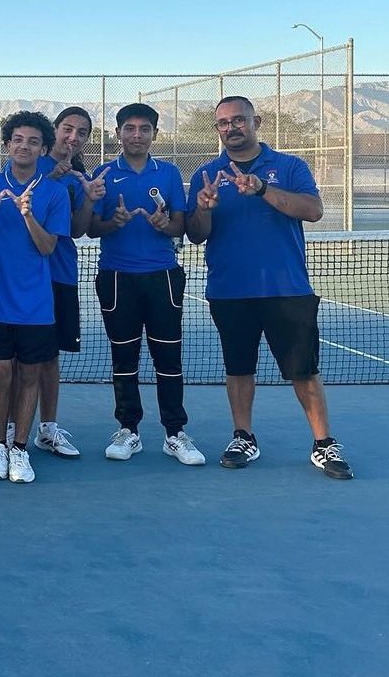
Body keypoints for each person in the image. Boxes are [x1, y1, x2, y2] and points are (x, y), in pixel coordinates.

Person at [186, 95, 352, 479]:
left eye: (239, 120)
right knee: (239, 368)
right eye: (224, 123)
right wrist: (204, 209)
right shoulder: (206, 174)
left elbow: (313, 211)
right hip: (230, 291)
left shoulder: (289, 166)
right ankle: (243, 437)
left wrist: (262, 189)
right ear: (218, 129)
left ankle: (324, 444)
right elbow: (196, 235)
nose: (231, 128)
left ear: (255, 121)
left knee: (304, 371)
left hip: (287, 288)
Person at [88, 103, 204, 465]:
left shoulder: (168, 173)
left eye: (144, 129)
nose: (136, 135)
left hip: (163, 277)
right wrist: (114, 223)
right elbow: (92, 229)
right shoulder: (104, 172)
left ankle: (175, 433)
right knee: (124, 358)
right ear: (118, 133)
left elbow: (180, 226)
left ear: (155, 133)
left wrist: (162, 225)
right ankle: (129, 430)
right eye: (129, 129)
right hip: (117, 278)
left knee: (168, 358)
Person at [0, 111, 71, 484]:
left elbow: (47, 249)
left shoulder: (55, 193)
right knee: (1, 374)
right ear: (8, 144)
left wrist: (28, 215)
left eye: (33, 141)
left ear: (43, 149)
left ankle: (20, 449)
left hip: (38, 306)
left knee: (29, 376)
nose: (24, 146)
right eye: (18, 140)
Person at [30, 107, 104, 458]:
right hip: (26, 277)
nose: (73, 137)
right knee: (17, 359)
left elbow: (78, 229)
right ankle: (11, 432)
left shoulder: (79, 175)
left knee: (50, 357)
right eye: (68, 129)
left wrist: (87, 197)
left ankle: (48, 428)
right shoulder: (30, 162)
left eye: (82, 132)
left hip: (61, 274)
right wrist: (52, 181)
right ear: (55, 131)